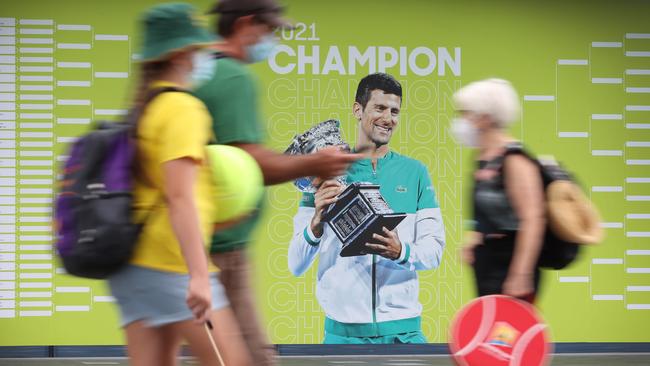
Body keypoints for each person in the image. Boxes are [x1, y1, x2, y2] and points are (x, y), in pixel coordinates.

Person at [195, 0, 360, 363]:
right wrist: (318, 161)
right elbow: (250, 161)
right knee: (252, 356)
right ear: (246, 24)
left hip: (197, 242)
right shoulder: (233, 78)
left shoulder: (198, 69)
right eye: (270, 31)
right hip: (222, 246)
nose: (272, 41)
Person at [107, 3, 251, 365]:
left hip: (132, 266)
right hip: (171, 264)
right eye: (198, 48)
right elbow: (179, 196)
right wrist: (199, 276)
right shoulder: (183, 109)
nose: (203, 55)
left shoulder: (144, 108)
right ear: (179, 54)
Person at [288, 73, 446, 344]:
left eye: (395, 111)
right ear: (357, 110)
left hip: (403, 332)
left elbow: (434, 253)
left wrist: (401, 252)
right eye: (380, 108)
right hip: (343, 335)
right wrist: (315, 222)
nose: (388, 118)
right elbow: (295, 265)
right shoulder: (326, 170)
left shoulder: (415, 172)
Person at [454, 78, 546, 303]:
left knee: (510, 334)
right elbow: (486, 212)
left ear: (484, 118)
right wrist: (475, 239)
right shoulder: (483, 158)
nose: (460, 120)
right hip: (489, 263)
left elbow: (533, 219)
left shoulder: (514, 159)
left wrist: (520, 273)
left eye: (465, 113)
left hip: (512, 264)